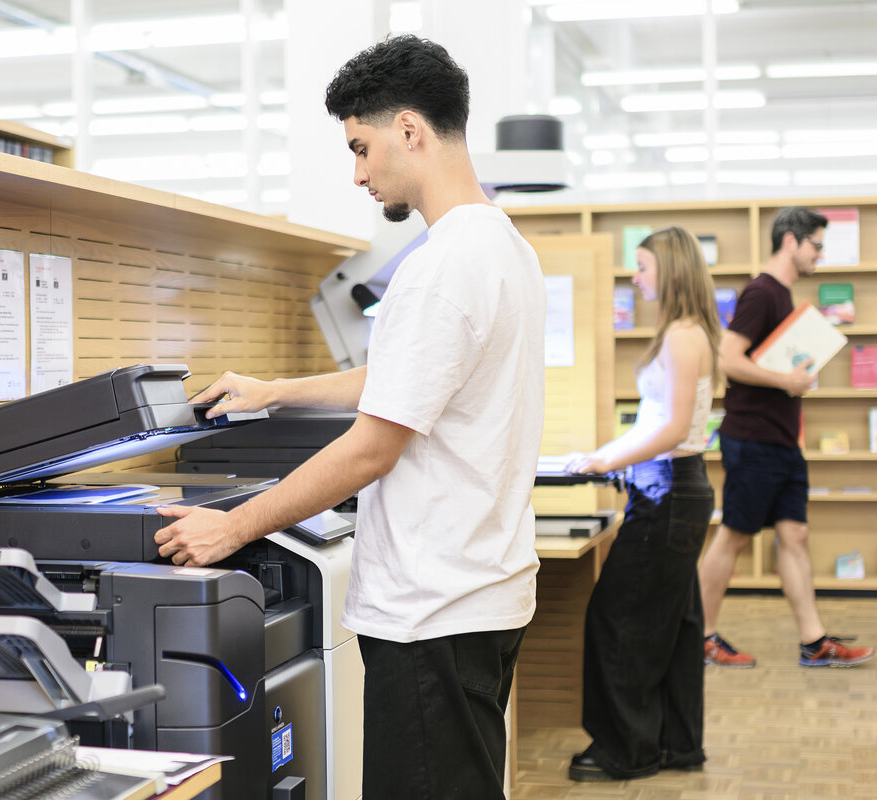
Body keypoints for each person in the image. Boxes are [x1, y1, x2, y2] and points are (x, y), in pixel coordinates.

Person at [152, 35, 545, 800]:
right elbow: (412, 378)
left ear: (409, 129)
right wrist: (277, 389)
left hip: (433, 613)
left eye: (362, 148)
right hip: (481, 595)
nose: (359, 173)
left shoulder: (438, 268)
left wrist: (233, 527)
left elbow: (372, 450)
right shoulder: (503, 248)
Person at [563, 227, 719, 782]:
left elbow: (674, 427)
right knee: (673, 621)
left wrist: (605, 461)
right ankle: (676, 744)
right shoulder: (687, 332)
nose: (636, 275)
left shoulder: (682, 335)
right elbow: (660, 423)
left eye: (644, 266)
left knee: (618, 617)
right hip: (675, 485)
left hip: (668, 492)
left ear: (671, 270)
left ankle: (625, 751)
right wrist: (604, 454)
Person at [698, 207, 874, 669]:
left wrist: (791, 380)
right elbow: (728, 360)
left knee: (795, 533)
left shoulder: (782, 295)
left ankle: (813, 642)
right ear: (790, 241)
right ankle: (700, 635)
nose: (820, 254)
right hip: (753, 439)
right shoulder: (761, 292)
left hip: (780, 442)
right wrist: (786, 381)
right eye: (816, 244)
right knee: (733, 537)